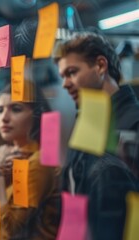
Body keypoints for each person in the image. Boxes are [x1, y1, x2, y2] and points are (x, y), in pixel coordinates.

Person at [54, 31, 139, 239]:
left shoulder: (133, 123)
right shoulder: (85, 126)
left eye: (72, 72)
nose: (65, 84)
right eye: (63, 76)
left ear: (100, 66)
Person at [0, 84, 60, 240]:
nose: (4, 118)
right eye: (0, 111)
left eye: (16, 109)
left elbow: (10, 230)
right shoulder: (10, 158)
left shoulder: (38, 162)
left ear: (36, 116)